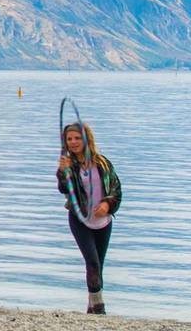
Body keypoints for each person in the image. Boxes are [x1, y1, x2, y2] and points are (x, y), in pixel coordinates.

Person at [57, 122, 122, 315]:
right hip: (79, 220)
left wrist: (107, 204)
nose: (73, 142)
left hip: (103, 222)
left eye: (77, 138)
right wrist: (63, 172)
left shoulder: (103, 163)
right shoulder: (69, 165)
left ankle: (91, 308)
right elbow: (63, 189)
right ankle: (99, 307)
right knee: (92, 262)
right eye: (69, 139)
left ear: (87, 139)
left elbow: (116, 189)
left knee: (98, 266)